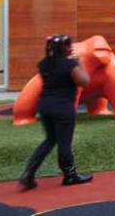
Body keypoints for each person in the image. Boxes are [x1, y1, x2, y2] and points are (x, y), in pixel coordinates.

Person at [18, 34, 93, 190]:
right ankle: (70, 175)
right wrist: (79, 64)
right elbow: (84, 81)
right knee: (64, 143)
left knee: (50, 140)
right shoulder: (70, 65)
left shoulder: (44, 64)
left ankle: (28, 173)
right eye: (68, 45)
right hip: (63, 108)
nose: (71, 47)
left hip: (45, 106)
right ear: (63, 48)